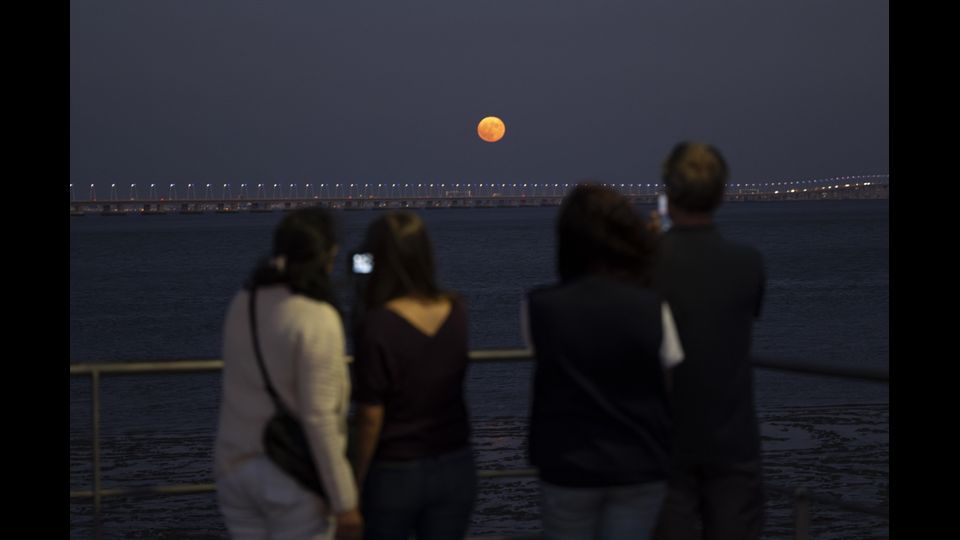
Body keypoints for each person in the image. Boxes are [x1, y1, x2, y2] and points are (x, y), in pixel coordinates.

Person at [525, 184, 684, 540]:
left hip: (567, 463)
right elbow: (668, 378)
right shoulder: (652, 307)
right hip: (639, 463)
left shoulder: (540, 307)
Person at [214, 207, 363, 540]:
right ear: (328, 255)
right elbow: (319, 417)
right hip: (289, 477)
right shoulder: (317, 317)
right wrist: (345, 502)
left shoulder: (244, 301)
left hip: (234, 471)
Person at [651, 142, 766, 540]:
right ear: (721, 193)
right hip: (732, 438)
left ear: (668, 192)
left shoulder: (645, 263)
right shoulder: (748, 263)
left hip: (664, 440)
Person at [349, 211, 476, 540]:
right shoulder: (456, 311)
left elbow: (369, 415)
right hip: (455, 461)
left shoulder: (377, 325)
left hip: (395, 467)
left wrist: (353, 483)